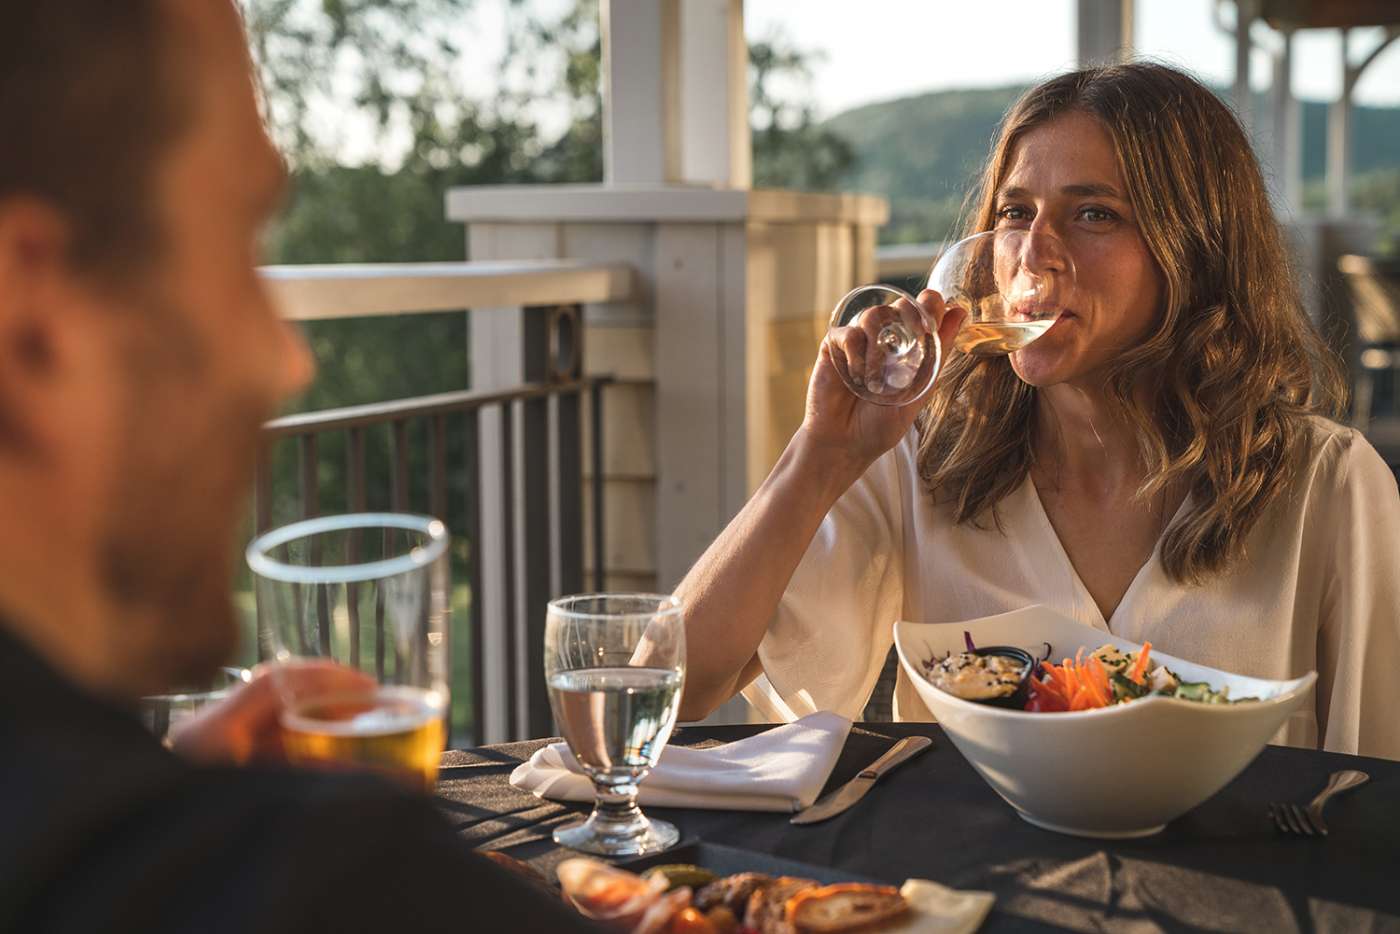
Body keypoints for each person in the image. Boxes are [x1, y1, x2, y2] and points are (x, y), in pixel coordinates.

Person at [0, 2, 597, 930]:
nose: (287, 359)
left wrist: (162, 795)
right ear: (32, 316)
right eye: (241, 238)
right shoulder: (334, 887)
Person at [675, 62, 1400, 761]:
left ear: (1200, 247)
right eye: (1016, 212)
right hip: (963, 885)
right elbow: (675, 687)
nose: (1032, 253)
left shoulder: (1328, 487)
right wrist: (819, 455)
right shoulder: (921, 456)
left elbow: (1376, 793)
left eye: (1094, 214)